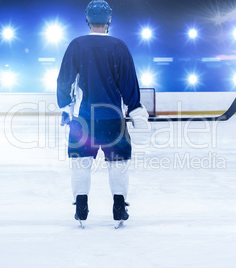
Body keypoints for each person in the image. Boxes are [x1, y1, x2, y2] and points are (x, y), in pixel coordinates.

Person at [56, 0, 149, 228]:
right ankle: (119, 206)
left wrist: (66, 108)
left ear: (87, 19)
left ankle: (81, 204)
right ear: (109, 20)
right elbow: (128, 84)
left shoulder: (76, 45)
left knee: (81, 162)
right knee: (118, 163)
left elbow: (64, 81)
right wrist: (136, 109)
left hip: (83, 118)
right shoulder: (119, 46)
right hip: (112, 119)